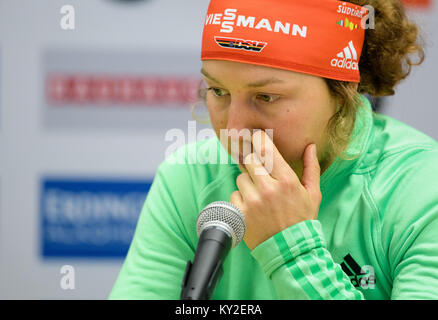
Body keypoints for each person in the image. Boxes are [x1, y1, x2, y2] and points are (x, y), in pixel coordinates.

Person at [109, 0, 438, 300]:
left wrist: (293, 250)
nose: (235, 129)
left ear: (343, 91)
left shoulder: (420, 186)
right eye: (218, 91)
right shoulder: (191, 176)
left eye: (266, 96)